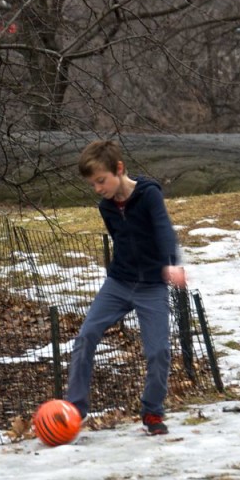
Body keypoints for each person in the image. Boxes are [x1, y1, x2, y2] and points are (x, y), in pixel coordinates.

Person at [65, 139, 186, 436]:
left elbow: (162, 228)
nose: (98, 189)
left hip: (152, 287)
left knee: (158, 351)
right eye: (93, 184)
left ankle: (152, 412)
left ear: (119, 169)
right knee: (86, 336)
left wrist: (171, 263)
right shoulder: (106, 207)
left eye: (101, 180)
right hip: (118, 283)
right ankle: (74, 411)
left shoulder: (149, 195)